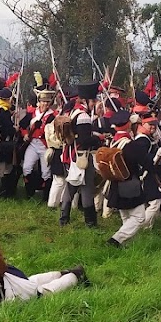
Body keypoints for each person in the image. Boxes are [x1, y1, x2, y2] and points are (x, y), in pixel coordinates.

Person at [104, 109, 150, 247]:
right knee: (139, 217)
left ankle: (125, 244)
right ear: (128, 124)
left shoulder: (113, 141)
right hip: (130, 184)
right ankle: (116, 240)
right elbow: (143, 162)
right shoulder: (129, 144)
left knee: (126, 216)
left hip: (116, 183)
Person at [59, 82, 100, 228]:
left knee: (70, 187)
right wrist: (98, 139)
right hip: (81, 156)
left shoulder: (73, 111)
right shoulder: (83, 116)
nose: (94, 103)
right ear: (85, 100)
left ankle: (63, 219)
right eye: (93, 100)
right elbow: (85, 140)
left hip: (71, 156)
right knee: (87, 188)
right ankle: (91, 223)